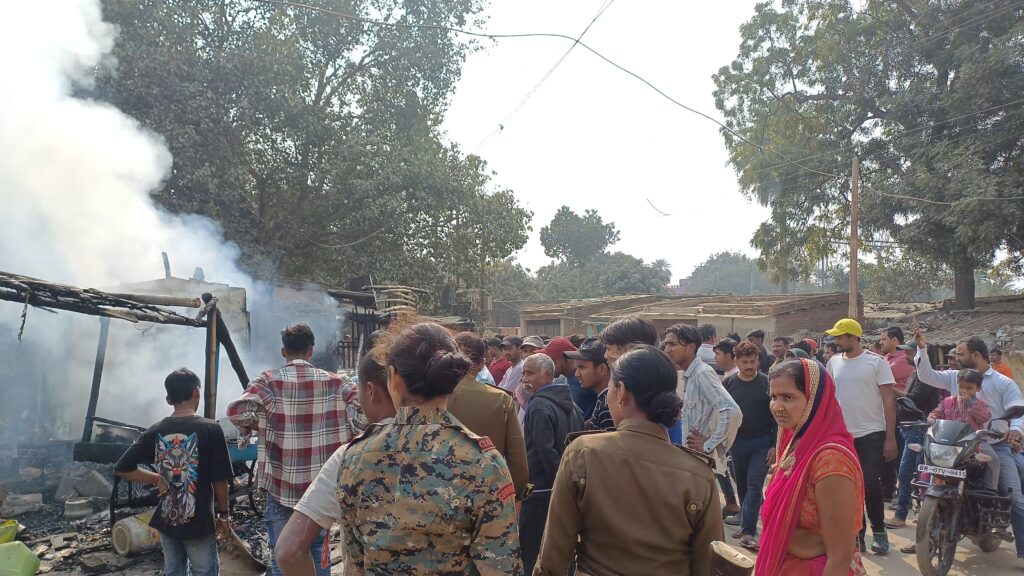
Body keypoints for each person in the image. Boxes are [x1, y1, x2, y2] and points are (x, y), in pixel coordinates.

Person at [337, 322, 522, 574]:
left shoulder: (355, 457)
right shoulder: (485, 464)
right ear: (453, 378)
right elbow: (502, 568)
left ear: (393, 378)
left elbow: (355, 563)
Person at [534, 345, 723, 575]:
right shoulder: (697, 474)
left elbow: (555, 553)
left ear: (621, 392)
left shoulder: (582, 454)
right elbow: (708, 564)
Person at [227, 324, 359, 576]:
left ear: (283, 351)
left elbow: (236, 412)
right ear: (311, 351)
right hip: (320, 490)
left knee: (282, 556)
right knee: (319, 553)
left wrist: (263, 421)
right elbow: (362, 415)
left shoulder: (268, 381)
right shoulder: (337, 383)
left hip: (281, 489)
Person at [276, 353, 398, 576]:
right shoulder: (471, 452)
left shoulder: (351, 456)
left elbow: (289, 552)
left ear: (370, 391)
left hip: (287, 488)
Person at [912, 326, 1024, 560]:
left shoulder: (1003, 383)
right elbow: (926, 376)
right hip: (955, 443)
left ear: (975, 355)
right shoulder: (955, 377)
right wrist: (922, 349)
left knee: (1014, 499)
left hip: (994, 443)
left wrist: (1015, 430)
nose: (955, 358)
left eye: (960, 354)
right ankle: (929, 528)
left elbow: (1018, 412)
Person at [114, 369, 233, 576]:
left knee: (174, 571)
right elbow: (219, 480)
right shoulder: (211, 429)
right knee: (205, 571)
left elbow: (121, 467)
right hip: (200, 523)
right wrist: (224, 515)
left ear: (169, 399)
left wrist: (156, 478)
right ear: (197, 393)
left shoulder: (155, 430)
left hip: (167, 520)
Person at [756, 359, 866, 576]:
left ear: (815, 400)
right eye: (773, 397)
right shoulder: (796, 443)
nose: (777, 407)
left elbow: (840, 557)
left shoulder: (831, 460)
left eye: (788, 397)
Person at [824, 318, 897, 555]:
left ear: (854, 337)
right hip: (842, 435)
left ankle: (879, 531)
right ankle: (857, 535)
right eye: (836, 337)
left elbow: (888, 400)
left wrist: (890, 437)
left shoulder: (876, 363)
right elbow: (829, 400)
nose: (837, 341)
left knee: (868, 483)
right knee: (848, 487)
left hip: (871, 433)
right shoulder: (833, 362)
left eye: (841, 336)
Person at [663, 323, 743, 517]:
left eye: (672, 344)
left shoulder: (702, 374)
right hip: (692, 460)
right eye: (666, 344)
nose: (667, 350)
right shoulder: (690, 374)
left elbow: (731, 411)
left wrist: (709, 444)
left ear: (690, 347)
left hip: (699, 462)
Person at [518, 352, 583, 574]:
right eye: (524, 372)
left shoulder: (539, 406)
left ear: (547, 376)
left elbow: (546, 451)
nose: (524, 378)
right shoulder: (572, 406)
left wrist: (559, 481)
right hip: (561, 489)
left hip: (540, 492)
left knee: (532, 549)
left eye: (530, 373)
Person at [448, 332, 530, 502]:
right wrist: (518, 496)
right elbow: (517, 460)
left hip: (441, 495)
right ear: (481, 364)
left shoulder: (431, 397)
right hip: (489, 497)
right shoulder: (500, 400)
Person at [885, 343, 943, 538]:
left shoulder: (925, 377)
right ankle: (919, 511)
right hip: (909, 427)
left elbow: (913, 400)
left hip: (918, 429)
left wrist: (890, 388)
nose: (906, 354)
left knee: (907, 472)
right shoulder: (916, 373)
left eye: (910, 351)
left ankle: (901, 515)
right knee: (915, 472)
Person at [723, 341, 775, 549]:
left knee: (754, 485)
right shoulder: (728, 384)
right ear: (736, 361)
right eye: (744, 362)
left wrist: (774, 445)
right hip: (737, 443)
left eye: (752, 361)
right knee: (743, 485)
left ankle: (747, 531)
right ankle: (746, 522)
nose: (749, 365)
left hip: (761, 443)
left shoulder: (767, 383)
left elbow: (776, 417)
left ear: (758, 360)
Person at [926, 368, 999, 490]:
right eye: (962, 387)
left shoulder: (980, 404)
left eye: (969, 388)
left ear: (978, 389)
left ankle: (990, 490)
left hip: (973, 443)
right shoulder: (948, 401)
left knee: (994, 460)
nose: (964, 391)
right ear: (957, 385)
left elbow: (985, 417)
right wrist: (931, 418)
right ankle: (927, 488)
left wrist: (971, 403)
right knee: (927, 455)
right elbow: (936, 413)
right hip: (949, 443)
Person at [877, 326, 914, 503]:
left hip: (901, 411)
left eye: (884, 339)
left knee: (898, 452)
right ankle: (888, 490)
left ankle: (902, 493)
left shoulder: (902, 360)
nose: (881, 342)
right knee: (887, 454)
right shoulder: (886, 358)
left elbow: (877, 377)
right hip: (886, 410)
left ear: (894, 340)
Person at [566, 338, 614, 431]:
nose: (577, 374)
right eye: (577, 368)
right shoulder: (603, 400)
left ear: (601, 369)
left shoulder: (609, 405)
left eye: (582, 367)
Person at [546, 336, 597, 421]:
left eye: (552, 361)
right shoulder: (559, 381)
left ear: (566, 359)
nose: (549, 366)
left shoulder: (586, 379)